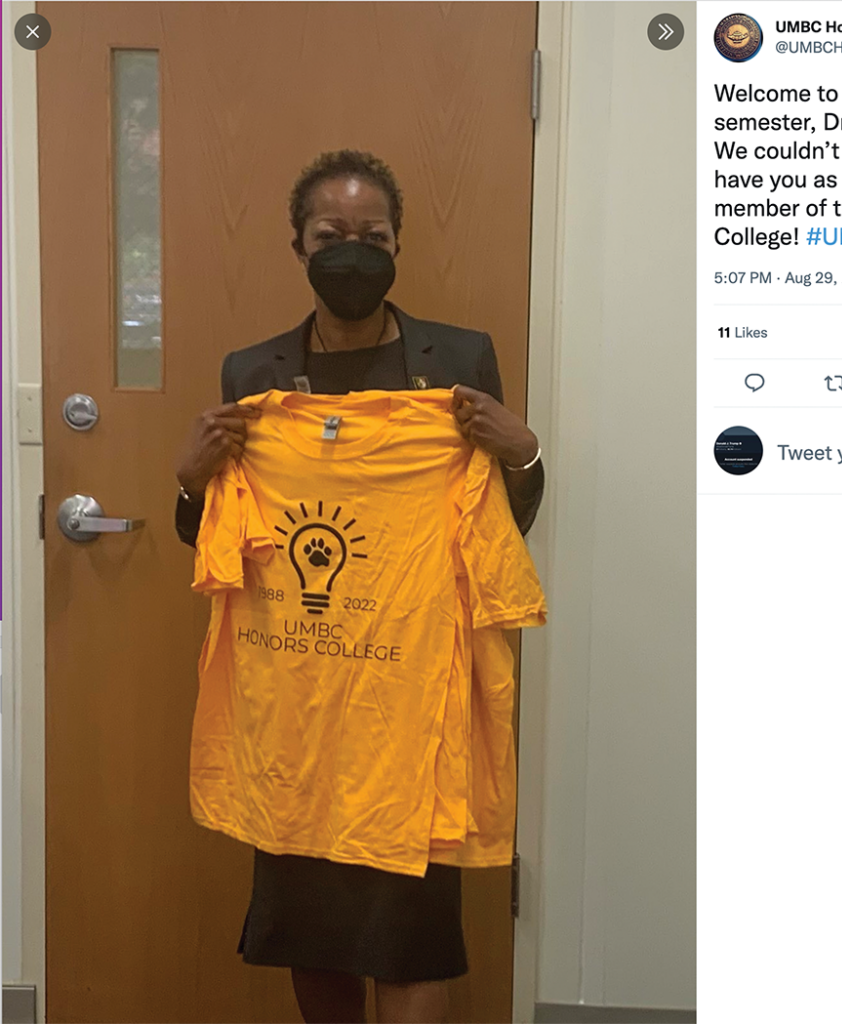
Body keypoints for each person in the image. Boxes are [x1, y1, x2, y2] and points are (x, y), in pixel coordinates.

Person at [174, 150, 544, 1024]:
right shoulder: (252, 375)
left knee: (410, 932)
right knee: (311, 931)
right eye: (330, 236)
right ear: (296, 246)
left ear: (398, 244)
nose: (352, 252)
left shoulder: (458, 362)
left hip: (408, 697)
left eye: (372, 237)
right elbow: (222, 537)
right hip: (296, 703)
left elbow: (494, 523)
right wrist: (192, 481)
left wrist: (520, 449)